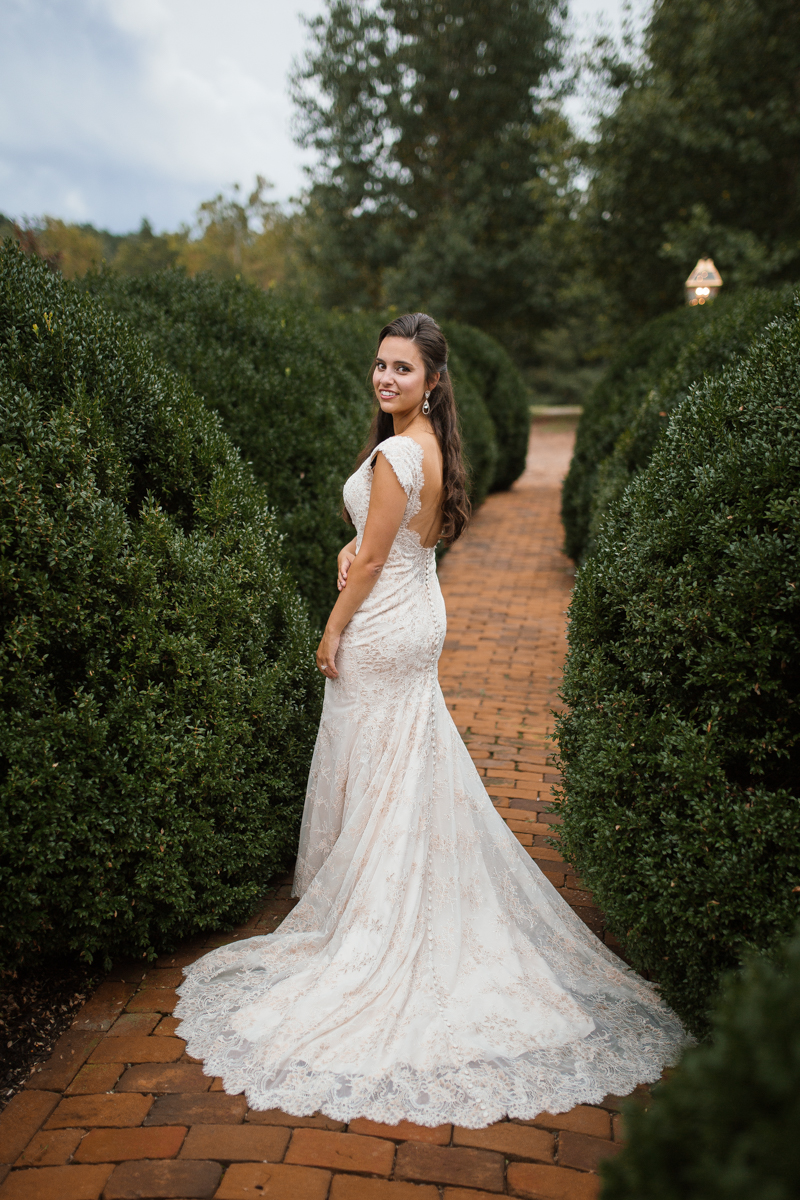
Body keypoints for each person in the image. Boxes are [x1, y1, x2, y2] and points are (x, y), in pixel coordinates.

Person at [175, 312, 687, 1128]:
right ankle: (396, 897)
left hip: (384, 623)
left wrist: (333, 623)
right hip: (418, 611)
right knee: (401, 759)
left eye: (401, 370)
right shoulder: (430, 447)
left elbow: (377, 555)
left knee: (371, 757)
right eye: (379, 366)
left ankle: (370, 927)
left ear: (431, 380)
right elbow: (394, 543)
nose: (385, 379)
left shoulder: (396, 451)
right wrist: (353, 555)